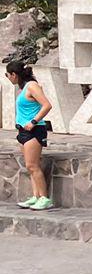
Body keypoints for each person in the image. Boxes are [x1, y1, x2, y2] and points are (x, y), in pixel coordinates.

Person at [8, 61, 53, 210]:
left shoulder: (32, 86)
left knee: (32, 165)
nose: (8, 78)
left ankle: (45, 198)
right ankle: (36, 196)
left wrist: (34, 121)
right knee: (30, 166)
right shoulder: (23, 88)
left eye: (7, 75)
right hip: (23, 131)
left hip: (34, 130)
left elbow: (47, 105)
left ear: (14, 74)